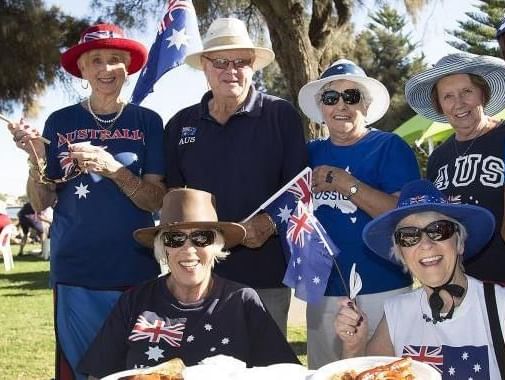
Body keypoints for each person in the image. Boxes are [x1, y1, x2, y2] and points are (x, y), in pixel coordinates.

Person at [8, 24, 166, 379]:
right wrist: (35, 159)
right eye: (95, 60)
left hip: (134, 270)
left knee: (137, 373)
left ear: (128, 68)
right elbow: (42, 200)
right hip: (74, 271)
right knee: (81, 371)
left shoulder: (147, 122)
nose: (105, 69)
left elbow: (156, 199)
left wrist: (115, 171)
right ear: (82, 69)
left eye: (114, 60)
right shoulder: (61, 121)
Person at [164, 17, 307, 336]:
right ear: (204, 65)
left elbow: (300, 186)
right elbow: (172, 198)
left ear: (253, 65)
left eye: (241, 61)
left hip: (267, 274)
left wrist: (269, 223)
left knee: (266, 366)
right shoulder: (180, 124)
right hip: (200, 274)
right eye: (220, 61)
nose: (231, 70)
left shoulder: (280, 115)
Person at [78, 188, 300, 378]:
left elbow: (286, 373)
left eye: (201, 237)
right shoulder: (135, 301)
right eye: (175, 238)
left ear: (216, 245)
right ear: (163, 247)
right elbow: (98, 374)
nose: (189, 249)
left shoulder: (242, 301)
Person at [297, 59, 420, 369]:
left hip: (384, 286)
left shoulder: (390, 146)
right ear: (321, 107)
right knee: (325, 372)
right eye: (331, 98)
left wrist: (346, 184)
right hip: (322, 286)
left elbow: (405, 214)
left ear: (365, 105)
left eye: (352, 97)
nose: (341, 105)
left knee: (384, 371)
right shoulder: (307, 153)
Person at [335, 179, 505, 380]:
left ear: (459, 243)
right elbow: (364, 376)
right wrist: (353, 348)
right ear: (402, 255)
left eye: (439, 230)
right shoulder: (396, 313)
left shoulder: (501, 306)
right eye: (409, 236)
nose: (426, 244)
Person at [405, 52, 505, 285]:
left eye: (467, 92)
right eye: (448, 96)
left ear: (483, 93)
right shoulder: (438, 158)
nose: (459, 103)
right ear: (440, 105)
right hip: (461, 285)